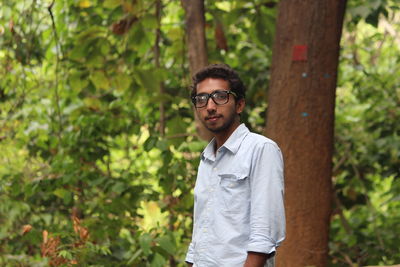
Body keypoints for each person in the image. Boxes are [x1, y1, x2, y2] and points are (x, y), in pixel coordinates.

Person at [185, 64, 285, 267]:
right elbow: (200, 234)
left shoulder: (261, 149)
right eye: (201, 99)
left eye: (220, 96)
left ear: (239, 105)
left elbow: (264, 234)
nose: (210, 106)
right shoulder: (206, 159)